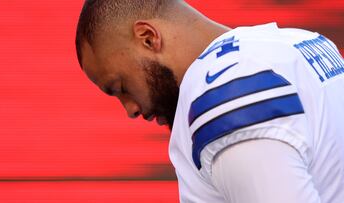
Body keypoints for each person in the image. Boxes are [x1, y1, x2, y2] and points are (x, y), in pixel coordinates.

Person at [75, 0, 344, 202]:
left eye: (121, 87)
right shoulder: (302, 42)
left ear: (148, 37)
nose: (130, 109)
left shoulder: (224, 92)